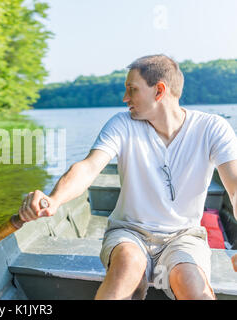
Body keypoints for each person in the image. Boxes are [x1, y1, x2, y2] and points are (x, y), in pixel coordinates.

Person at [18, 54, 237, 300]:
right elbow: (88, 168)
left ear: (159, 91)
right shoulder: (122, 124)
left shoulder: (212, 128)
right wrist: (54, 199)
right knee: (129, 266)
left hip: (184, 236)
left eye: (132, 90)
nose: (125, 99)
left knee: (192, 285)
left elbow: (234, 186)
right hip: (129, 232)